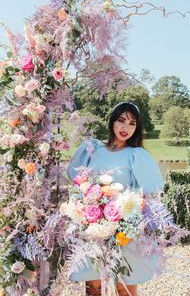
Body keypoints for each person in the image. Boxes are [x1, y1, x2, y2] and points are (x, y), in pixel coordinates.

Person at [66, 102, 164, 296]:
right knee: (93, 287)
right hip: (92, 228)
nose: (125, 128)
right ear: (112, 122)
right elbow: (77, 179)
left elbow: (148, 192)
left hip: (123, 231)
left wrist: (127, 214)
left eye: (132, 123)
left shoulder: (136, 155)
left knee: (124, 287)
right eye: (121, 121)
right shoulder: (93, 149)